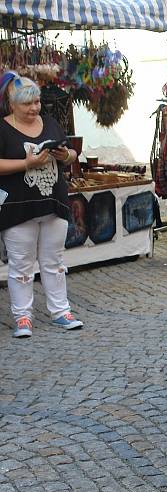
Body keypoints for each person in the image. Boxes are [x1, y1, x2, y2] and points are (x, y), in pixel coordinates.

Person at [0, 72, 83, 338]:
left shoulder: (50, 123)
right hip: (18, 206)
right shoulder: (2, 128)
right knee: (21, 264)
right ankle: (23, 317)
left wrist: (65, 154)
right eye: (28, 104)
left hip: (53, 202)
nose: (35, 107)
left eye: (36, 102)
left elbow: (71, 154)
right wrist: (27, 164)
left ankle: (61, 311)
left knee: (55, 261)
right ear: (12, 104)